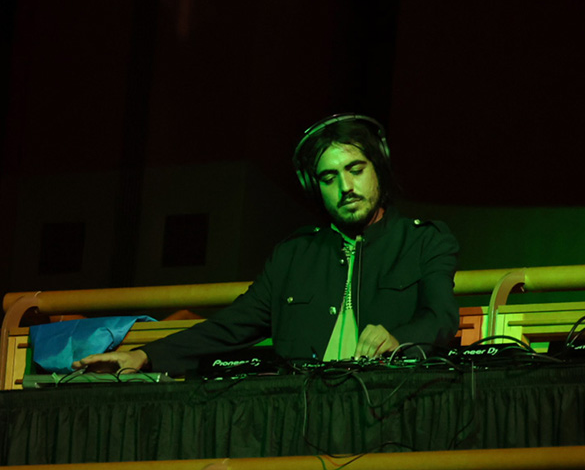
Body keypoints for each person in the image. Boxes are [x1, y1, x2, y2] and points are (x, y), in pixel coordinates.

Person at [73, 114, 461, 374]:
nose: (345, 186)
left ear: (378, 167)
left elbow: (441, 316)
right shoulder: (293, 256)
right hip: (299, 414)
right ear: (314, 187)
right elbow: (230, 327)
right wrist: (145, 355)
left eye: (355, 170)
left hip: (387, 405)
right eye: (329, 178)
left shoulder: (425, 239)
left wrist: (399, 339)